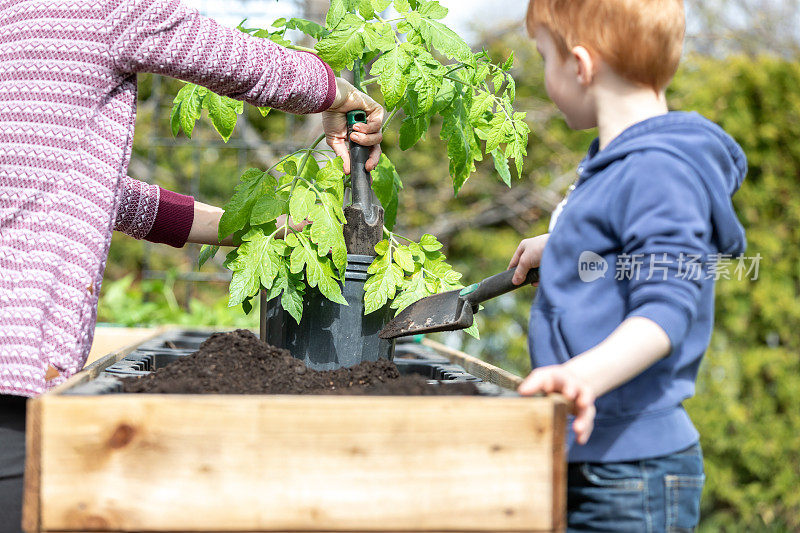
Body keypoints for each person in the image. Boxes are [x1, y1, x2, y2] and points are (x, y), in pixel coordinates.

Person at [0, 0, 383, 530]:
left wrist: (251, 231)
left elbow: (109, 197)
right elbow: (230, 56)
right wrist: (339, 93)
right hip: (11, 372)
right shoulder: (97, 7)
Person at [509, 1, 747, 530]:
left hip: (631, 473)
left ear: (579, 65)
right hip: (599, 458)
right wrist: (564, 243)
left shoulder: (658, 170)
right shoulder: (625, 163)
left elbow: (666, 308)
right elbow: (626, 245)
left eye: (544, 57)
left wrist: (581, 377)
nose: (545, 75)